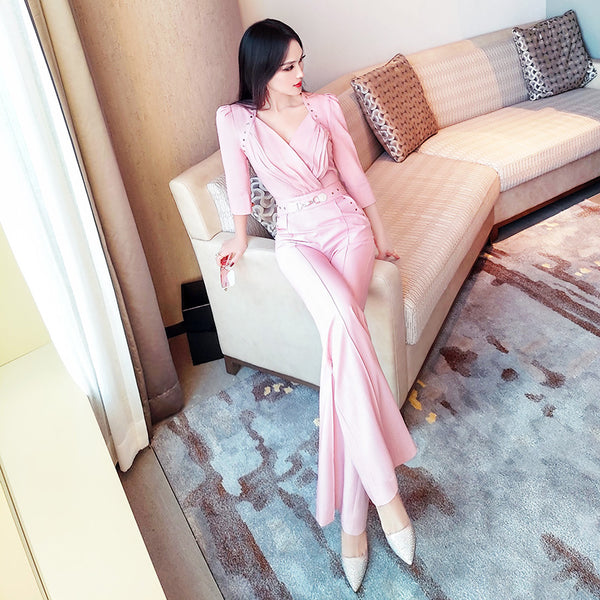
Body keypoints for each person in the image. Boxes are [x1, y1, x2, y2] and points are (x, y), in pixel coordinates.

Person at [215, 18, 418, 592]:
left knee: (340, 353)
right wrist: (238, 238)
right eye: (288, 66)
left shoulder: (325, 108)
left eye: (301, 61)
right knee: (345, 329)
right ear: (261, 70)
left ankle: (354, 526)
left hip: (348, 231)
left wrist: (379, 235)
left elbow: (353, 175)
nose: (301, 73)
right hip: (297, 240)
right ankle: (387, 498)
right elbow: (238, 186)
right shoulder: (235, 121)